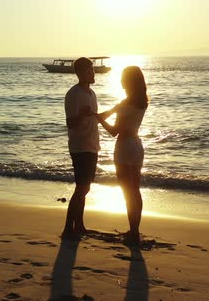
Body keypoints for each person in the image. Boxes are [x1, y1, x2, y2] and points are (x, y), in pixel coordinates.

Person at [96, 66, 149, 245]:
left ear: (127, 81)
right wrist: (103, 115)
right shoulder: (141, 101)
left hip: (125, 147)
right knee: (135, 189)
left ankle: (133, 233)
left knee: (127, 190)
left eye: (122, 78)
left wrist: (100, 120)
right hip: (137, 145)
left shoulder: (126, 103)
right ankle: (135, 230)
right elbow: (111, 112)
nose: (120, 80)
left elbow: (114, 131)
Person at [62, 57, 99, 239]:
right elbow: (70, 123)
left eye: (92, 70)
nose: (93, 73)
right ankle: (69, 227)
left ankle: (80, 225)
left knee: (86, 187)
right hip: (79, 146)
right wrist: (82, 116)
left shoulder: (92, 94)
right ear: (81, 72)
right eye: (89, 70)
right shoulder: (73, 94)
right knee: (81, 187)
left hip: (92, 145)